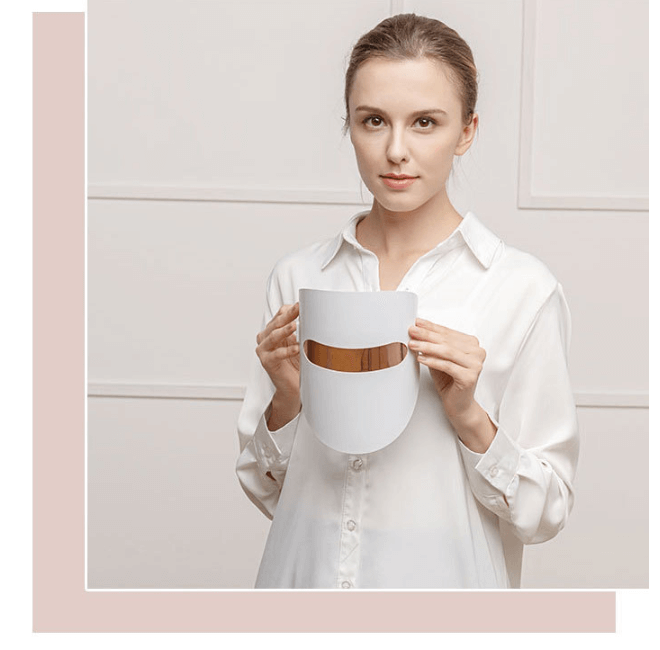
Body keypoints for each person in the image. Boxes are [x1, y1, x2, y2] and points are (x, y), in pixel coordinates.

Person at [235, 13, 579, 589]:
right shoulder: (298, 278)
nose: (396, 150)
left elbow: (547, 510)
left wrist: (471, 418)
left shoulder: (520, 289)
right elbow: (267, 489)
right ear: (349, 125)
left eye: (425, 122)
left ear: (466, 131)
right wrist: (288, 399)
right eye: (374, 121)